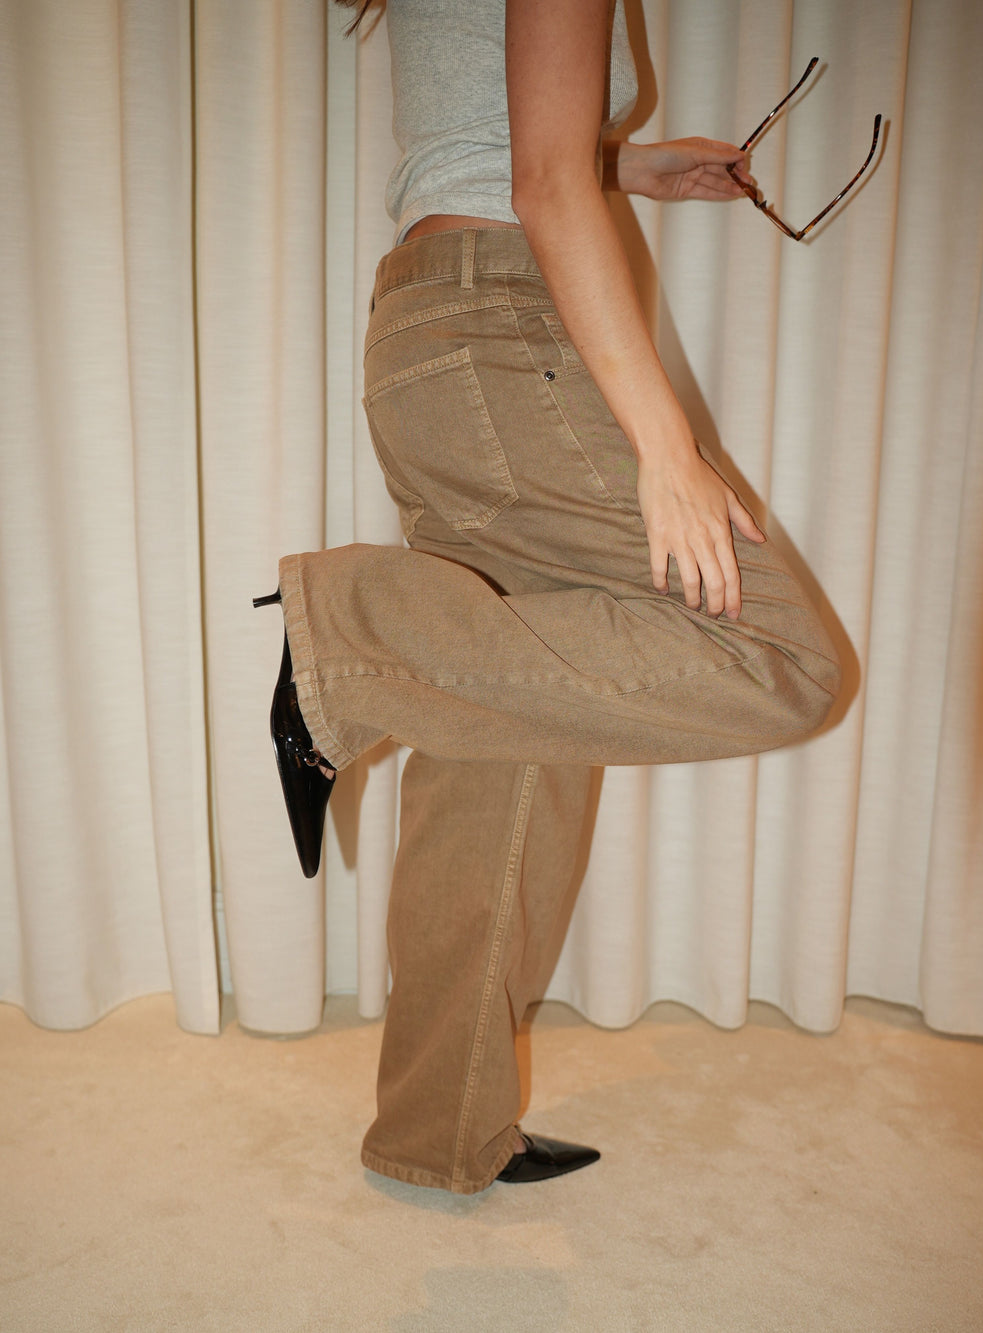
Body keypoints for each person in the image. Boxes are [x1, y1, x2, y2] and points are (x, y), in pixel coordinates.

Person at [255, 0, 841, 1194]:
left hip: (440, 333)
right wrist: (665, 448)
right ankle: (349, 646)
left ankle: (436, 1130)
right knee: (785, 662)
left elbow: (506, 145)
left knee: (505, 742)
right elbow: (541, 185)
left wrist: (637, 167)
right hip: (501, 326)